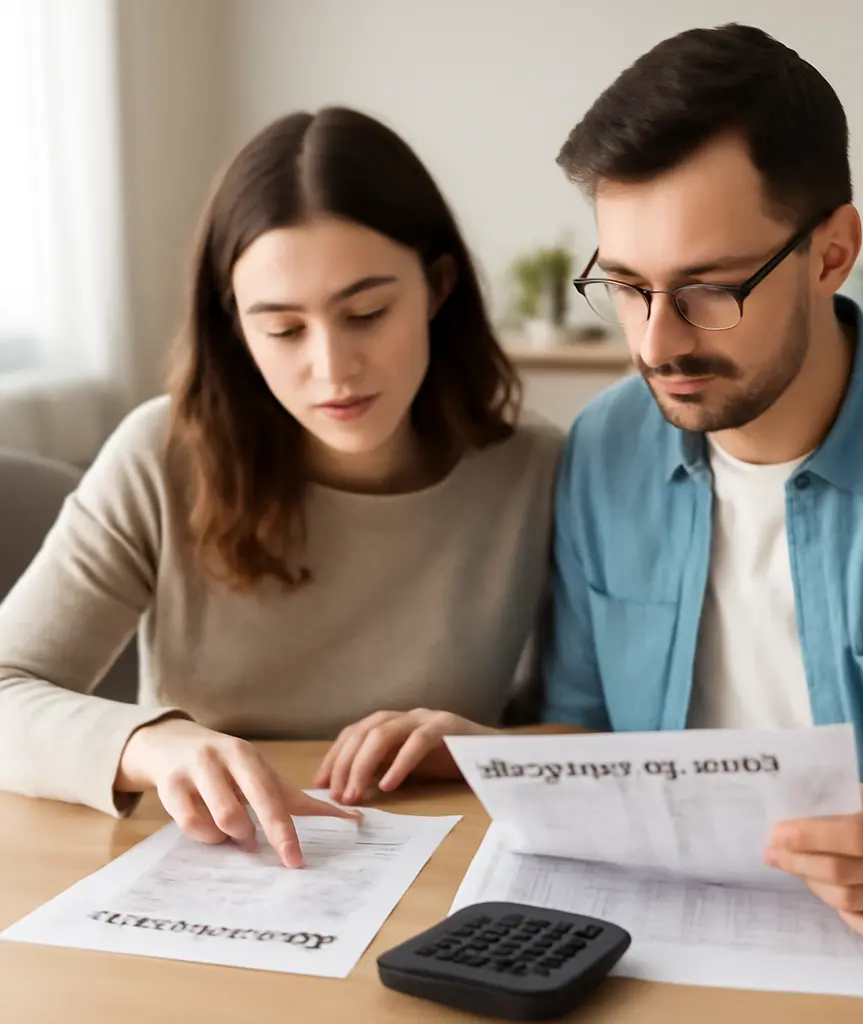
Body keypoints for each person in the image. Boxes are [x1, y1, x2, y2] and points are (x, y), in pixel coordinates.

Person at [540, 23, 863, 938]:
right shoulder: (603, 447)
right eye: (628, 286)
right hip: (659, 946)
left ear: (832, 253)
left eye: (710, 289)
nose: (656, 343)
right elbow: (583, 730)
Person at [0, 107, 563, 868]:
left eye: (366, 313)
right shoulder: (160, 456)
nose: (333, 368)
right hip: (218, 868)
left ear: (437, 286)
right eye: (284, 329)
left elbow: (609, 733)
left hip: (452, 871)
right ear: (235, 325)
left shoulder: (538, 472)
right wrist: (149, 742)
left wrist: (489, 749)